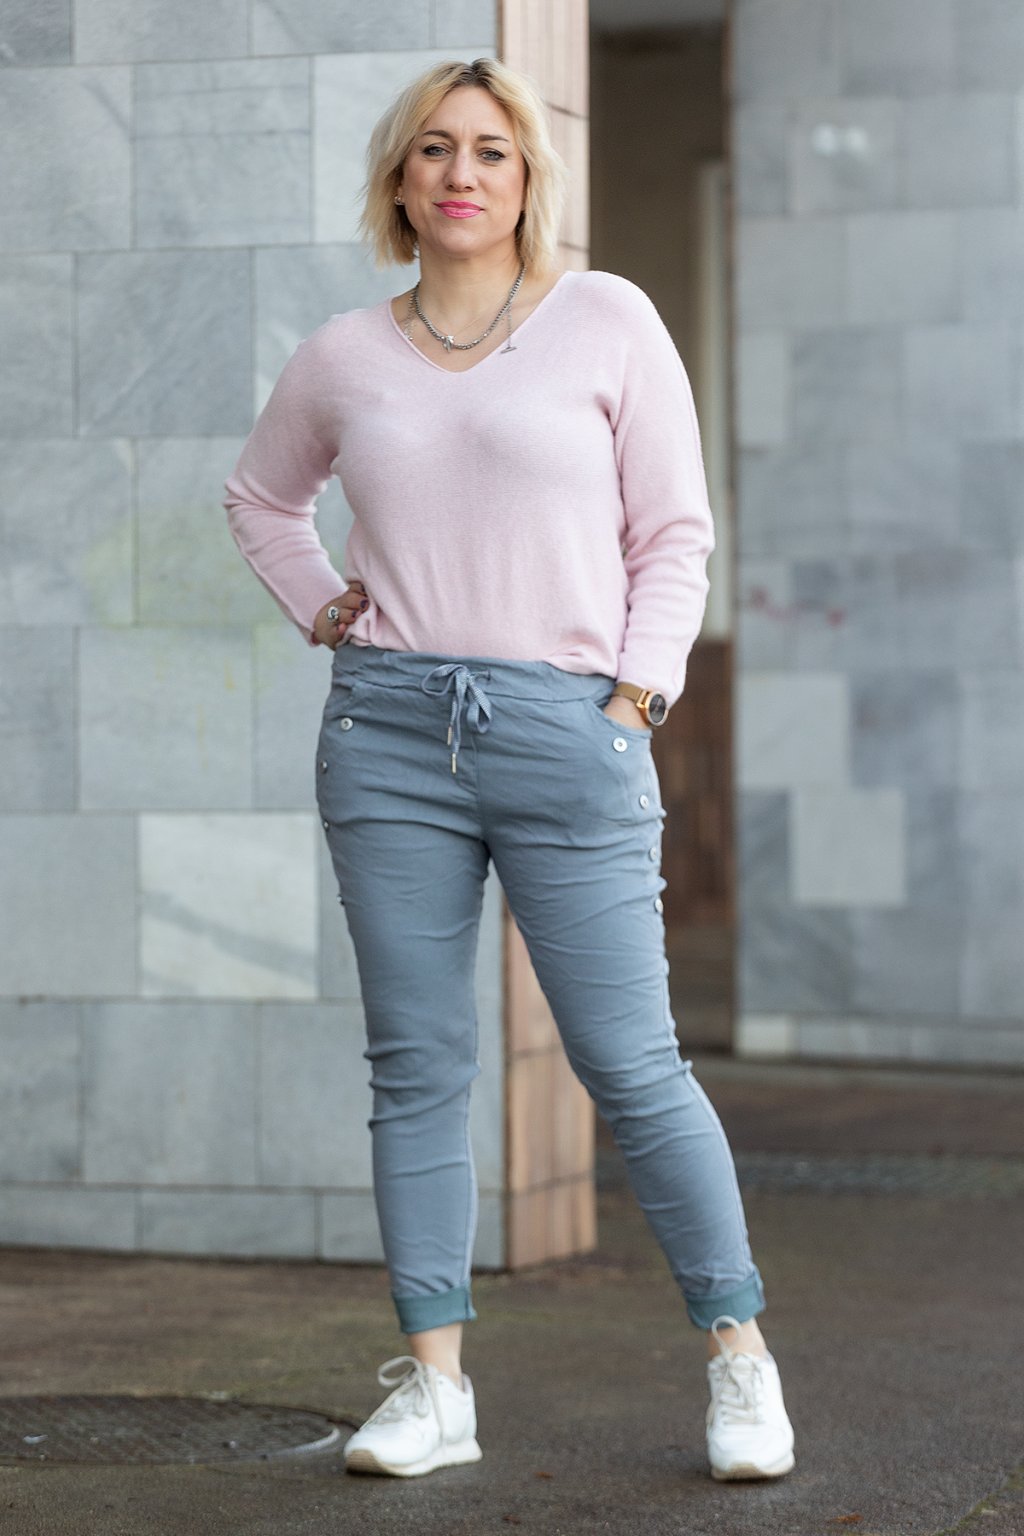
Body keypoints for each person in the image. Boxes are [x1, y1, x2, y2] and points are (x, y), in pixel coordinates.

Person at [223, 55, 794, 1486]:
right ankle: (435, 1388)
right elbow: (262, 496)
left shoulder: (607, 319)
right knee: (418, 1064)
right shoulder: (345, 354)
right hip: (389, 733)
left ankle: (738, 1355)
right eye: (434, 148)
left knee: (632, 1062)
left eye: (490, 148)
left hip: (568, 727)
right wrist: (324, 604)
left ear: (530, 176)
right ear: (399, 179)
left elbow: (674, 532)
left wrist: (632, 703)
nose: (461, 172)